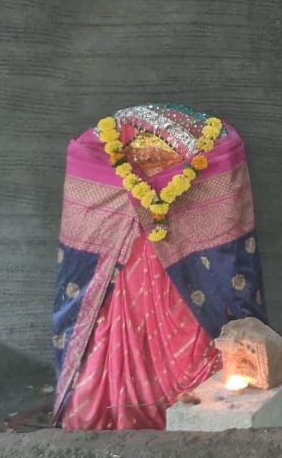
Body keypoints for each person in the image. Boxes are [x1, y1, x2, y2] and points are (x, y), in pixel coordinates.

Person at [52, 104, 267, 429]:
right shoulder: (99, 155)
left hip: (188, 288)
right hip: (125, 276)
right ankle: (130, 400)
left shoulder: (214, 150)